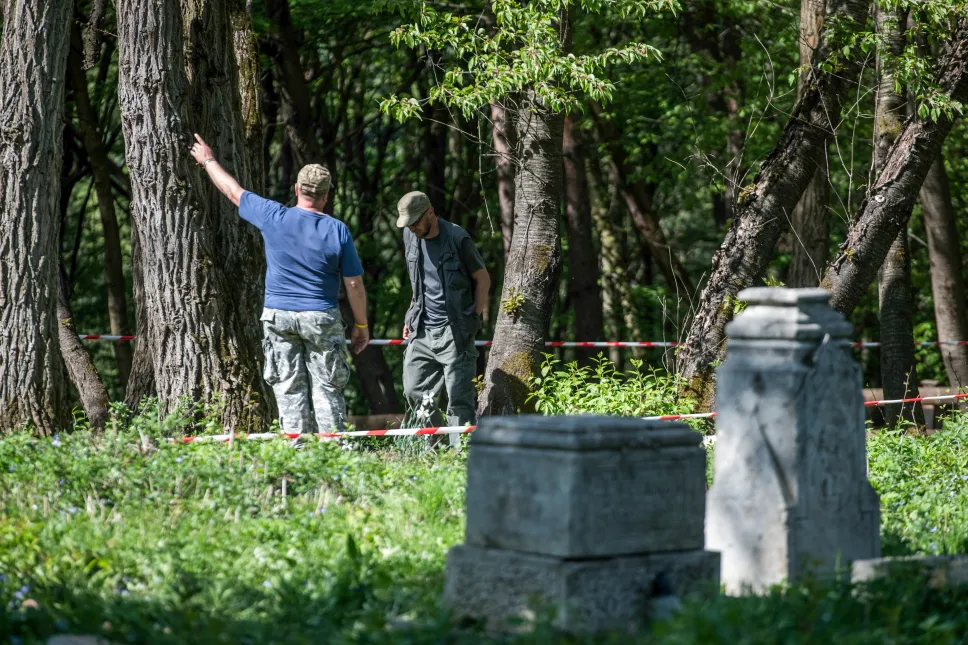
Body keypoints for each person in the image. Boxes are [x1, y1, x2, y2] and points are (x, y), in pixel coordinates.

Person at [189, 134, 369, 436]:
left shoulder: (274, 216)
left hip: (278, 315)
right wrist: (361, 325)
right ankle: (334, 456)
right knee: (327, 387)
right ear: (326, 196)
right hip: (320, 317)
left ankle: (295, 455)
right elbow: (353, 284)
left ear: (297, 189)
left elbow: (233, 192)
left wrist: (208, 160)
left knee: (287, 386)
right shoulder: (337, 230)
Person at [396, 191, 490, 445]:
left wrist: (473, 317)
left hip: (454, 330)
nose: (412, 227)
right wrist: (410, 314)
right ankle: (440, 448)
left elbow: (483, 279)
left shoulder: (458, 239)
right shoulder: (410, 236)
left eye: (415, 221)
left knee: (459, 399)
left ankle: (462, 459)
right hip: (422, 328)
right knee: (413, 391)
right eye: (408, 223)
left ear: (430, 213)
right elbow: (419, 283)